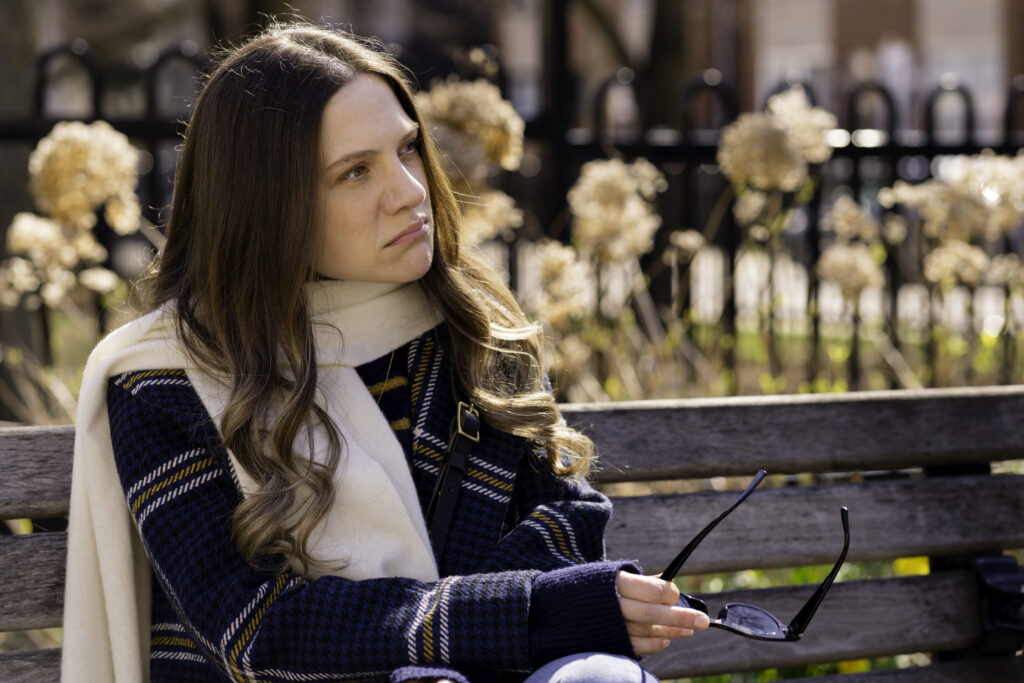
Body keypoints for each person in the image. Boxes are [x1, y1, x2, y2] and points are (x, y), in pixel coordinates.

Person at [62, 21, 709, 683]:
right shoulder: (165, 380)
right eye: (355, 172)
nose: (410, 191)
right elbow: (253, 629)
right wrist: (523, 613)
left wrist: (473, 633)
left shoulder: (474, 327)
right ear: (266, 205)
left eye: (408, 149)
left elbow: (569, 516)